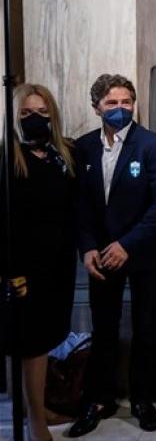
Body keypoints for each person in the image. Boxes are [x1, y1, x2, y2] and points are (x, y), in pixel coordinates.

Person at [70, 74, 156, 436]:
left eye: (126, 102)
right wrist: (87, 247)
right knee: (104, 329)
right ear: (96, 107)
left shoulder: (153, 146)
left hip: (144, 253)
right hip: (101, 256)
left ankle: (142, 400)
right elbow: (81, 206)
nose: (120, 109)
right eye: (112, 103)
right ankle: (99, 399)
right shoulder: (83, 147)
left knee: (147, 327)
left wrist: (127, 244)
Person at [0, 84, 77, 441]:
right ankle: (35, 422)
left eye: (42, 113)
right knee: (29, 345)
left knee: (46, 340)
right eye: (27, 114)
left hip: (57, 263)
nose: (35, 119)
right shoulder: (8, 158)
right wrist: (8, 271)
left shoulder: (62, 154)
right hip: (23, 269)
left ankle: (39, 406)